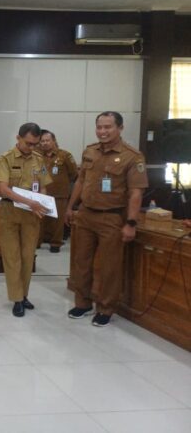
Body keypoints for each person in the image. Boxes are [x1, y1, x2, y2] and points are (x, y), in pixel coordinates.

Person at [65, 111, 148, 327]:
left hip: (111, 217)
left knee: (109, 267)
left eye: (108, 127)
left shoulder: (132, 156)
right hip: (85, 214)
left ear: (120, 128)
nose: (102, 131)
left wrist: (131, 223)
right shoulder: (90, 151)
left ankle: (105, 308)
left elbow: (136, 193)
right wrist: (71, 207)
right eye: (99, 127)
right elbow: (81, 181)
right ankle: (82, 303)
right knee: (81, 263)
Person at [0, 122, 52, 317]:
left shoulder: (38, 159)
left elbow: (43, 185)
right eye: (28, 143)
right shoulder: (5, 159)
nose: (31, 147)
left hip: (31, 215)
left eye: (35, 144)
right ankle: (16, 298)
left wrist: (42, 201)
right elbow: (3, 189)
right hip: (9, 212)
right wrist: (30, 202)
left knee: (28, 257)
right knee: (12, 257)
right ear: (18, 138)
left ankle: (24, 294)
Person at [38, 129, 78, 253]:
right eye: (42, 141)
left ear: (54, 141)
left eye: (47, 140)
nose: (45, 143)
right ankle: (37, 242)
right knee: (39, 220)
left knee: (58, 221)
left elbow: (73, 174)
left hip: (59, 194)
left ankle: (55, 243)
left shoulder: (65, 155)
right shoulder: (37, 155)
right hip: (41, 193)